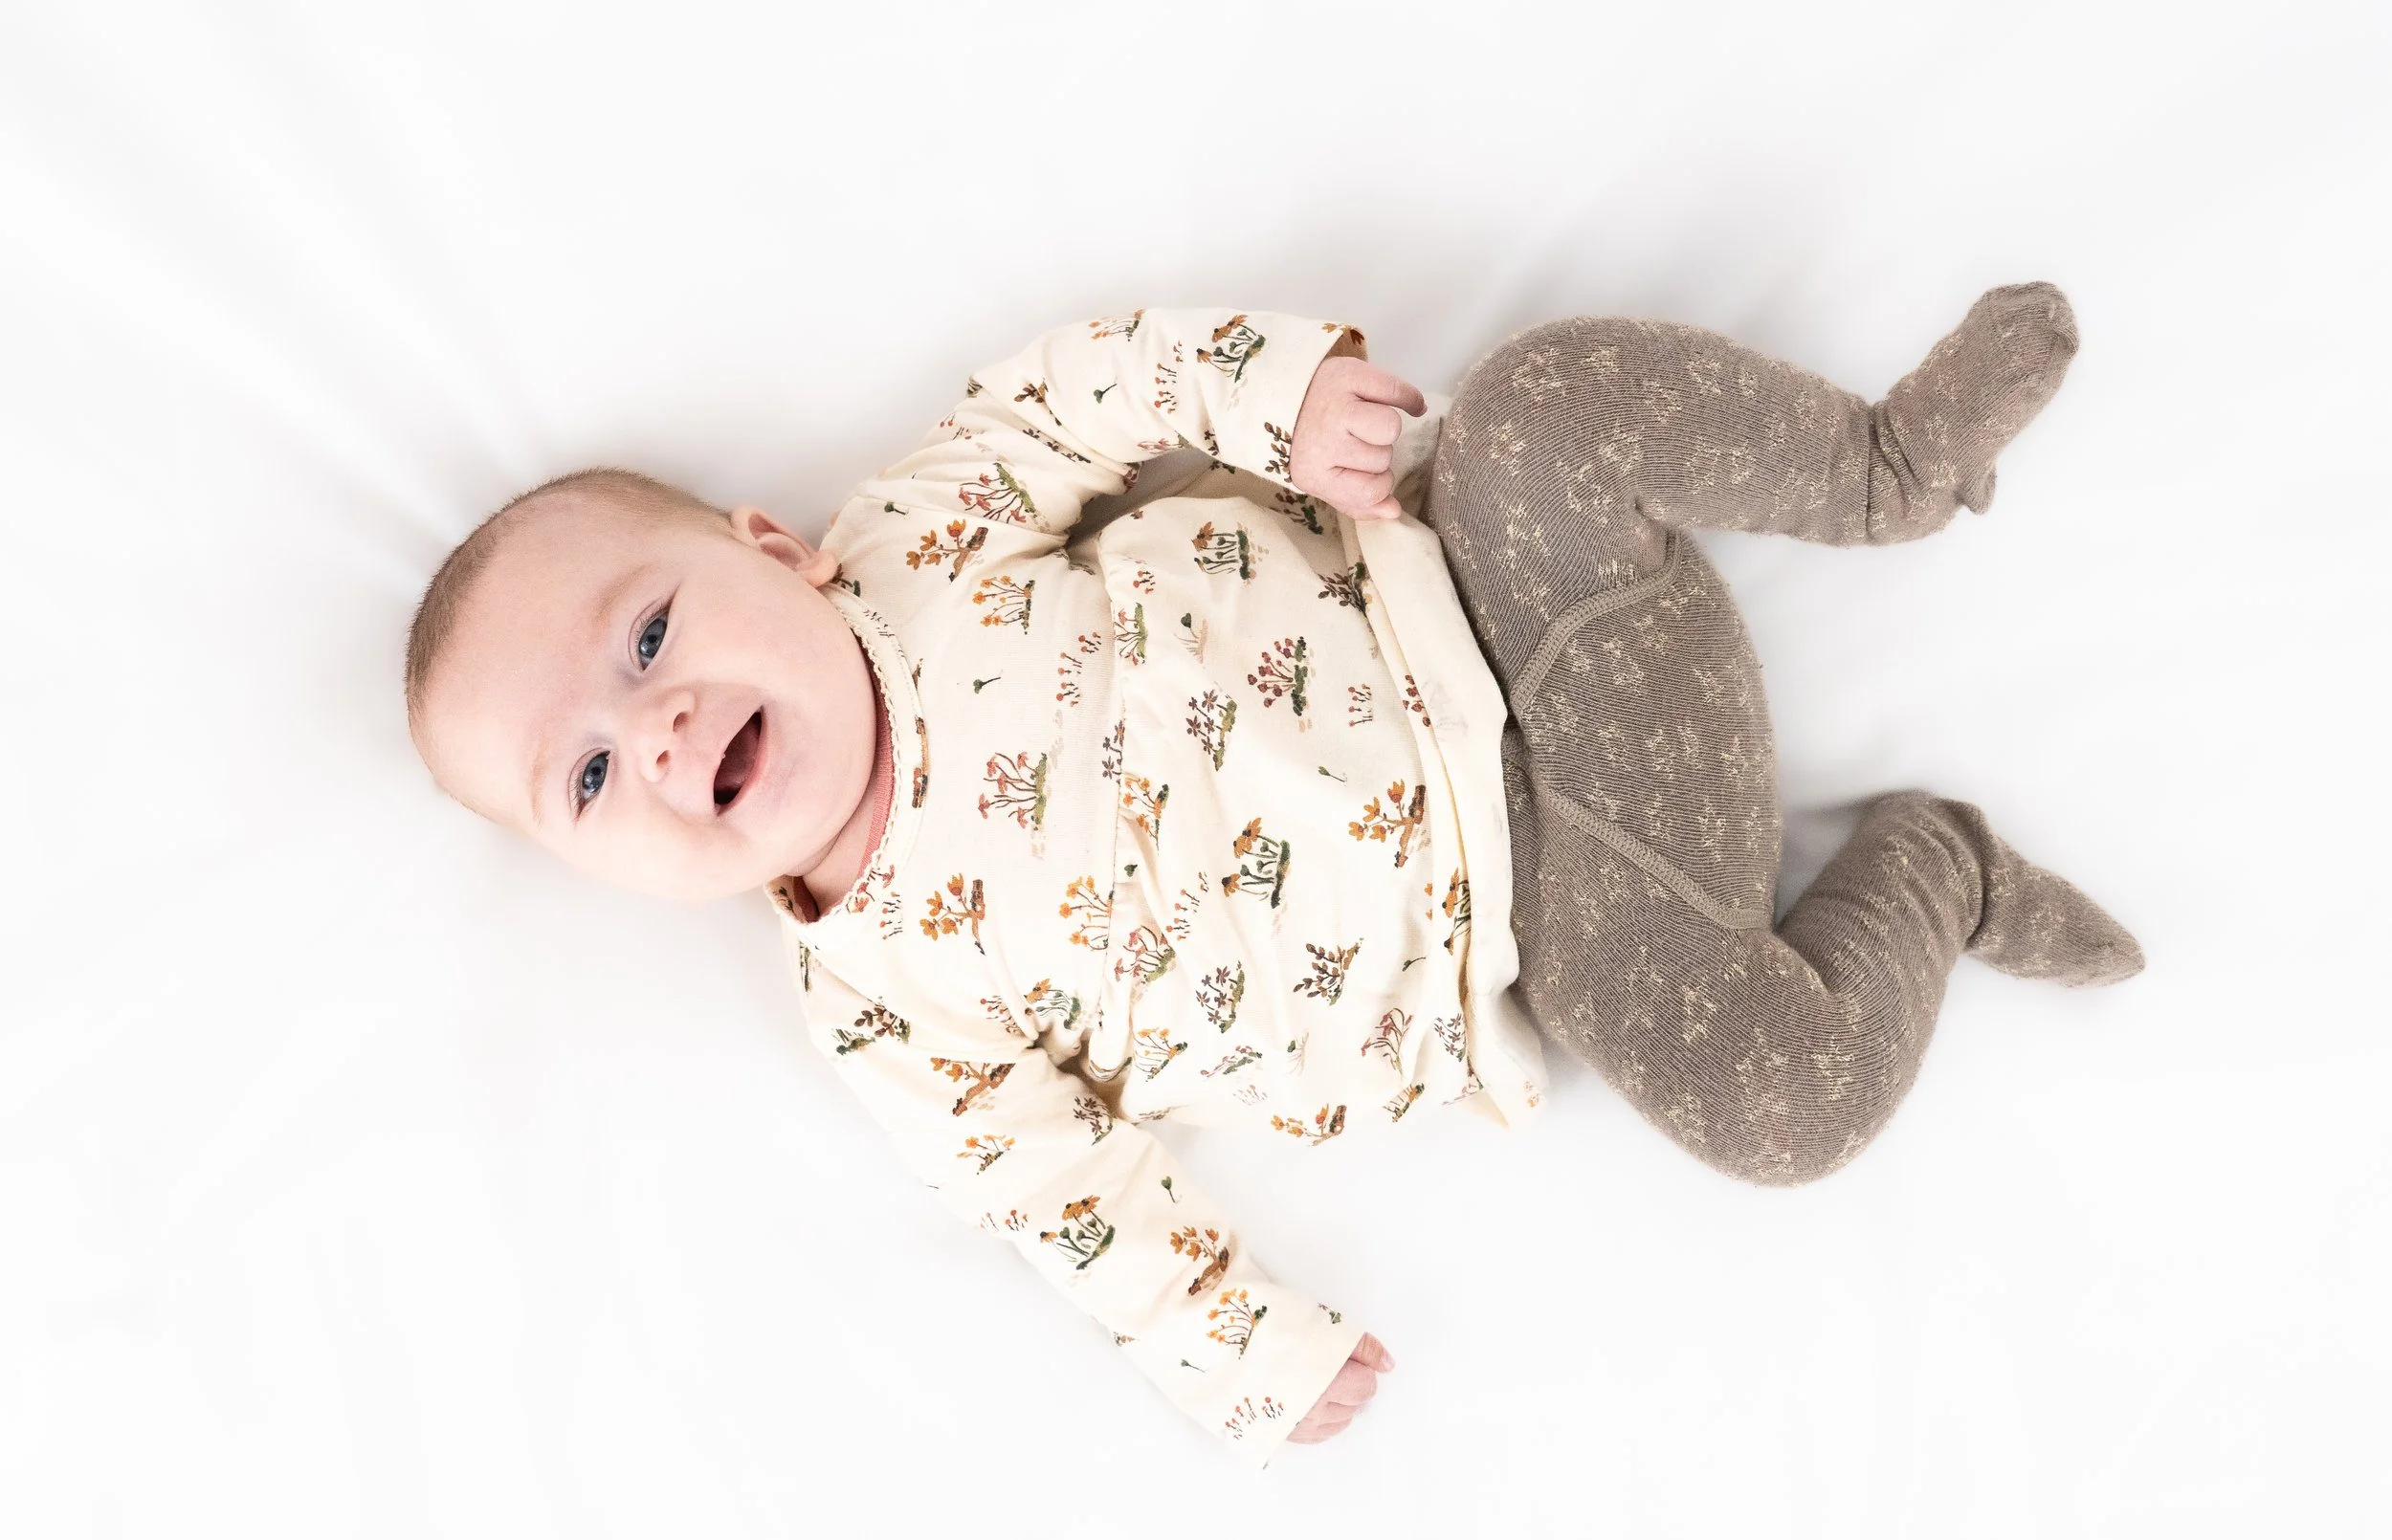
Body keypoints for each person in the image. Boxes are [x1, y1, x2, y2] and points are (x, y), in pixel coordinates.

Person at [402, 287, 2142, 1467]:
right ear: (605, 872)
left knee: (1537, 401)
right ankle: (1938, 876)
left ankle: (1885, 469)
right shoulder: (879, 1006)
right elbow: (1061, 1198)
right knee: (1780, 1102)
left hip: (1495, 590)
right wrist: (1239, 1352)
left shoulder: (917, 534)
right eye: (590, 775)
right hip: (1567, 910)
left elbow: (1083, 391)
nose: (665, 720)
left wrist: (1275, 393)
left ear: (763, 547)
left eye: (647, 633)